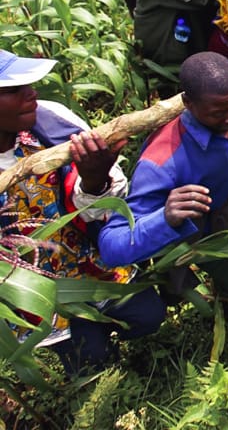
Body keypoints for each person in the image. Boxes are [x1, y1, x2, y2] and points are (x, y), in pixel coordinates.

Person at [0, 50, 165, 376]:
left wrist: (94, 179)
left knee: (150, 316)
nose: (31, 93)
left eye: (29, 84)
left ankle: (110, 338)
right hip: (40, 288)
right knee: (89, 365)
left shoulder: (51, 122)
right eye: (13, 90)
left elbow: (116, 196)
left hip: (90, 260)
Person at [98, 53, 228, 298]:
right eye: (217, 113)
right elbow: (111, 246)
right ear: (188, 103)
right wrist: (165, 218)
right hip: (207, 233)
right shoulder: (161, 162)